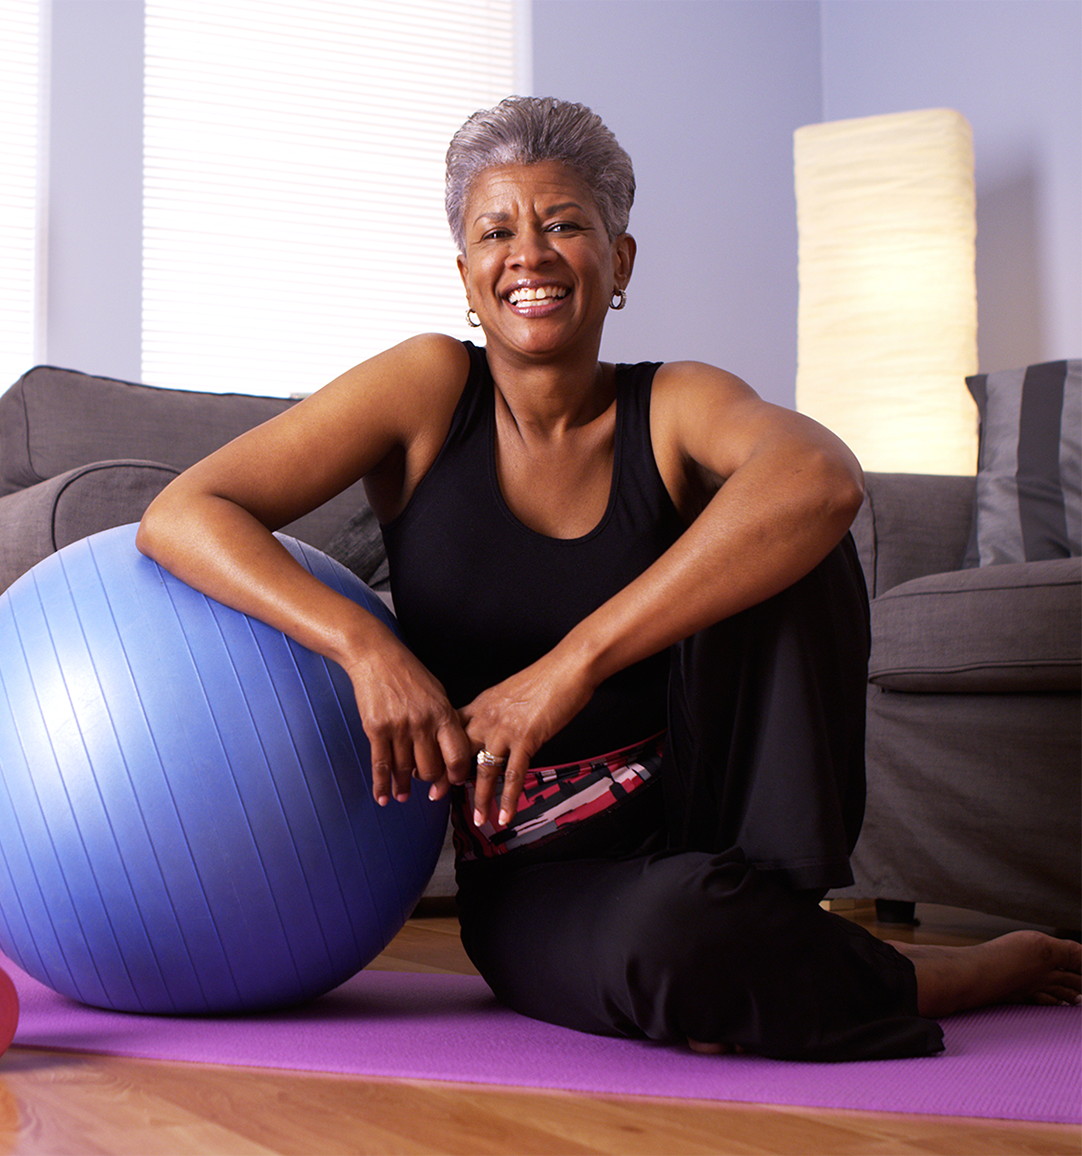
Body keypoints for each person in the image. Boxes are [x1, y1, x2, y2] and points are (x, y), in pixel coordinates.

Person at [137, 96, 1080, 1060]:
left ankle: (789, 914)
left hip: (718, 820)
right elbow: (185, 513)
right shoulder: (425, 390)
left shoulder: (674, 402)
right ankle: (934, 973)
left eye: (565, 225)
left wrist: (570, 666)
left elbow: (824, 479)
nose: (530, 255)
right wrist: (364, 644)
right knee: (678, 945)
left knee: (789, 520)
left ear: (619, 261)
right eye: (496, 231)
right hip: (540, 871)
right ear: (466, 276)